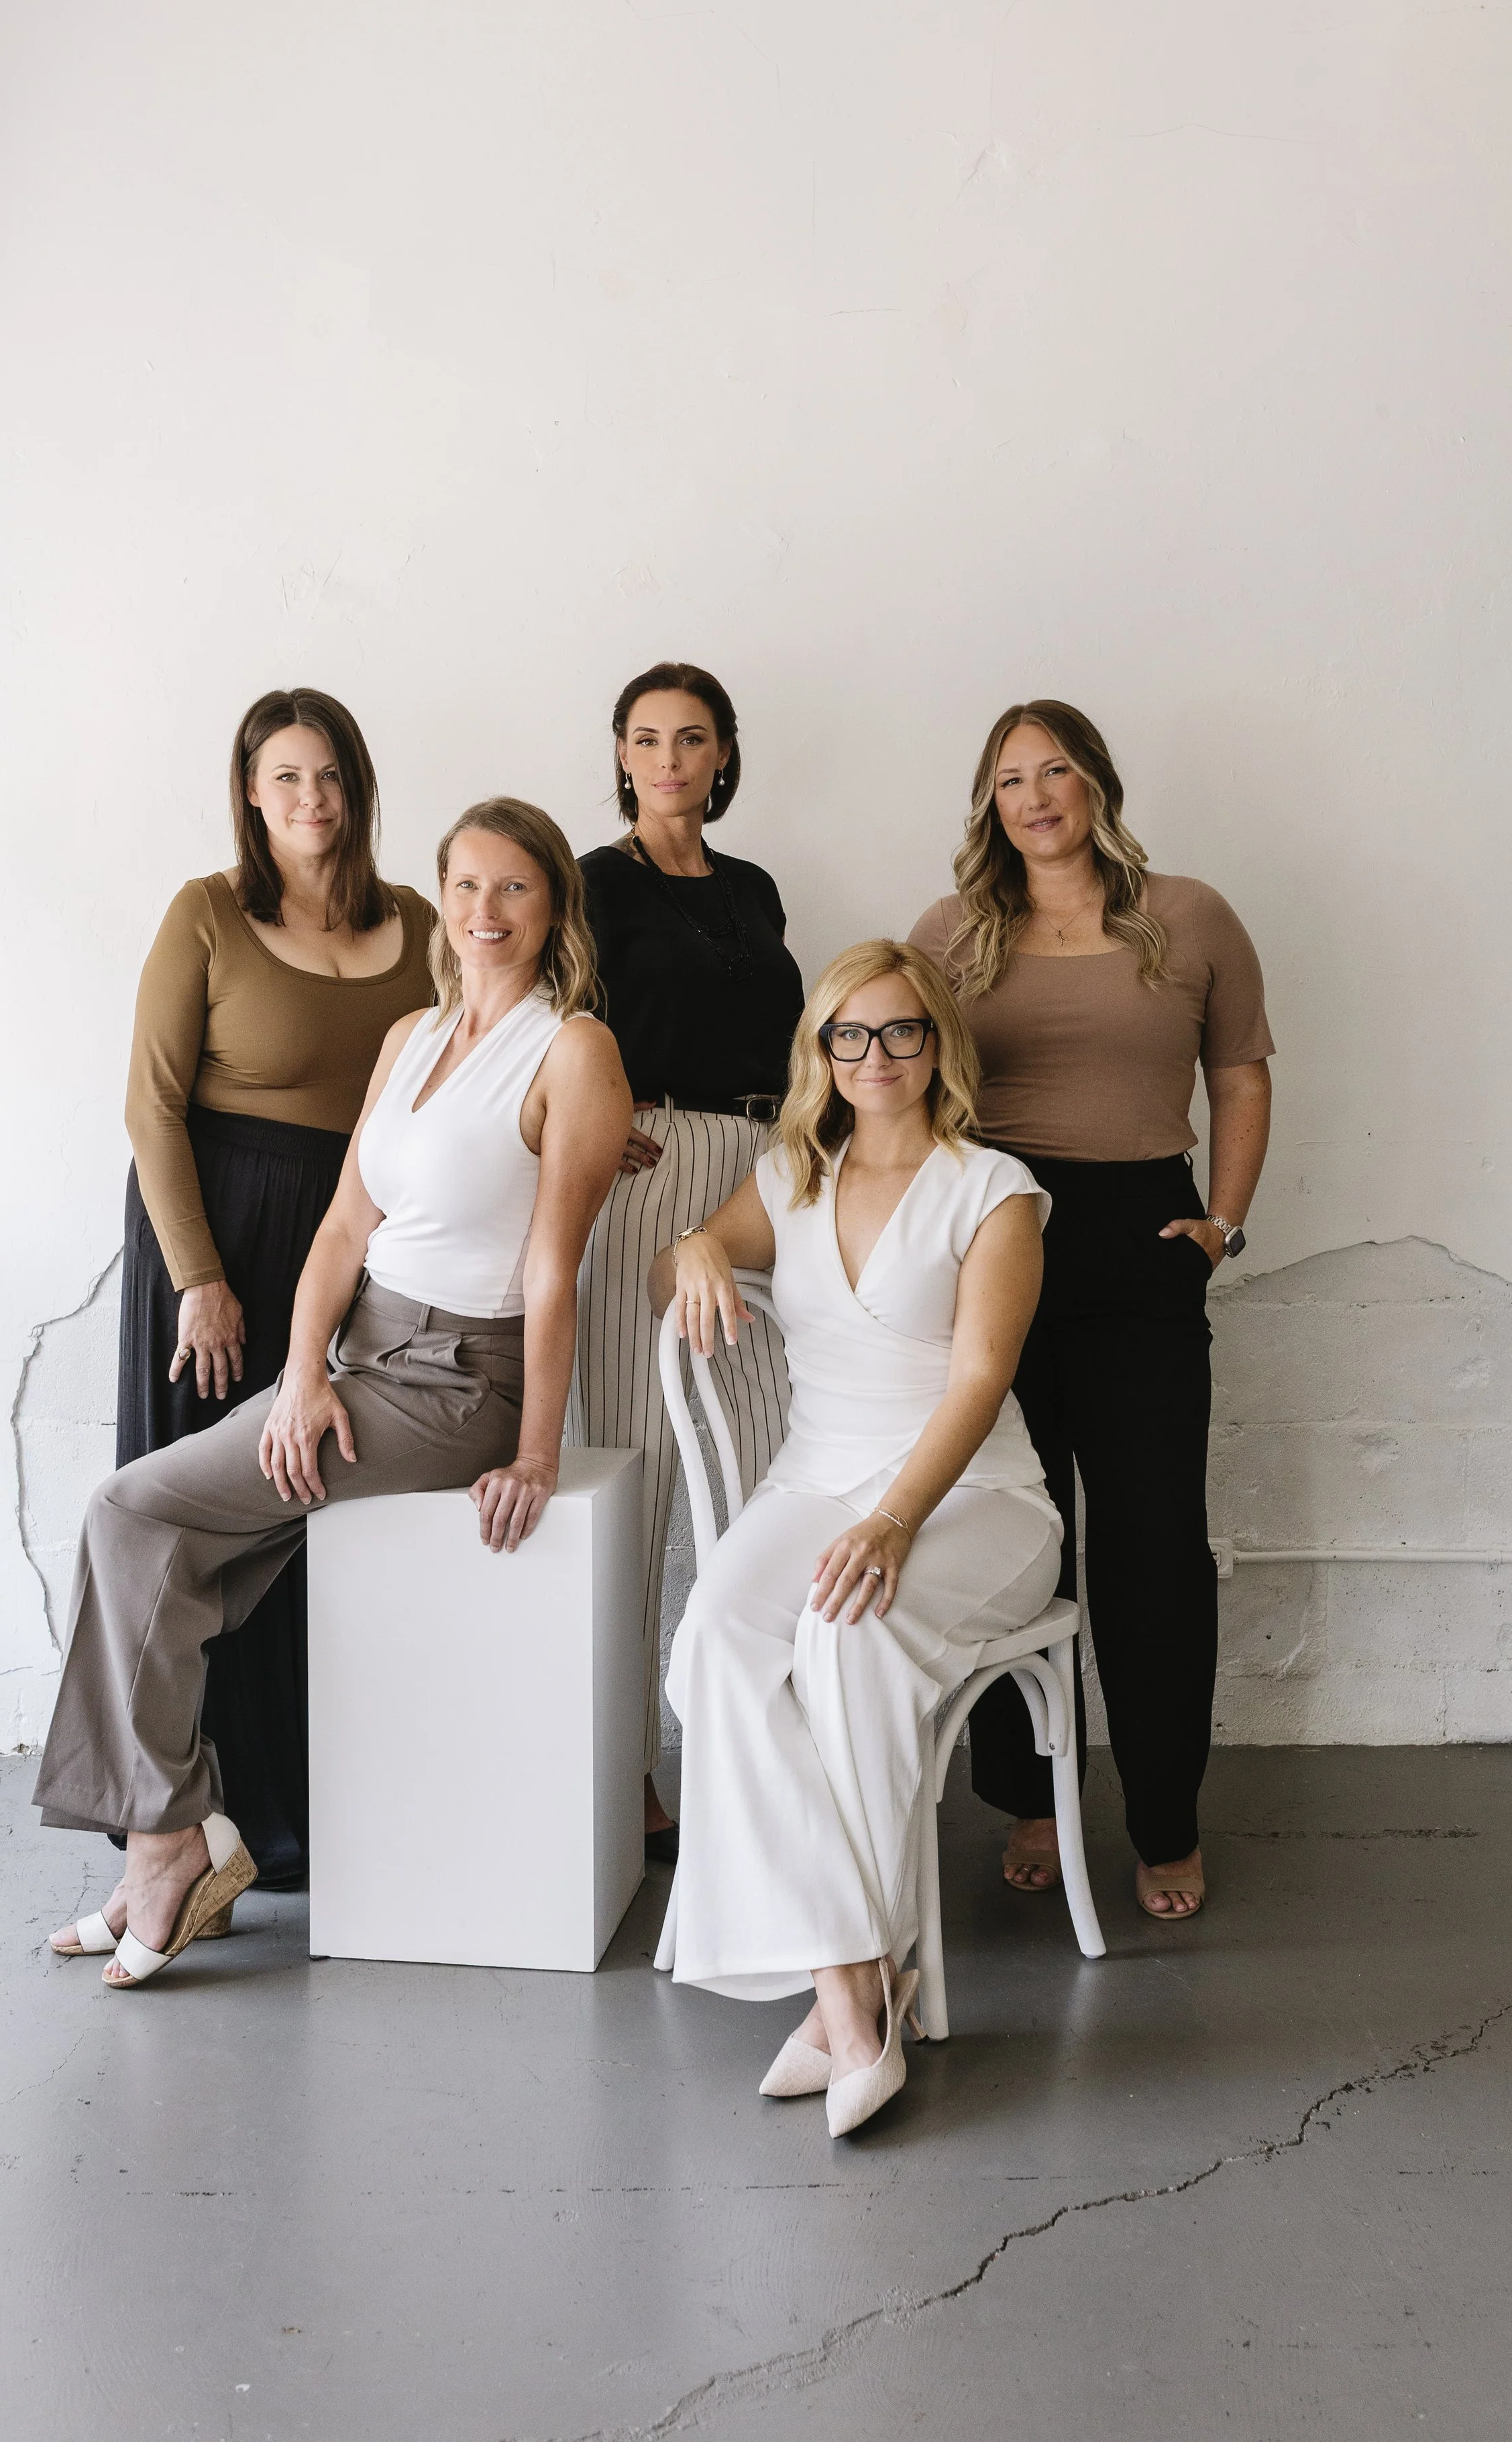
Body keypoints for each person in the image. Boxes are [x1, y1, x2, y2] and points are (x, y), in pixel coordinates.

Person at [40, 799, 632, 1986]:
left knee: (135, 1516)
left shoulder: (574, 1050)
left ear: (555, 905)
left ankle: (171, 1842)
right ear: (442, 900)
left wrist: (534, 1452)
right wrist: (302, 1374)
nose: (484, 912)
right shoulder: (411, 1035)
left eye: (514, 888)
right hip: (360, 1357)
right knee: (152, 1536)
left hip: (463, 1376)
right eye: (465, 886)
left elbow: (556, 1267)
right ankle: (172, 1833)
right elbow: (344, 1226)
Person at [649, 942, 1061, 2137]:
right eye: (849, 1034)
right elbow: (703, 1247)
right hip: (815, 1482)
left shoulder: (995, 1188)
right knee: (713, 1645)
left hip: (971, 1493)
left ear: (939, 1045)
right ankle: (853, 1976)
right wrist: (691, 1247)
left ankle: (856, 2001)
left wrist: (894, 1520)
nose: (874, 1057)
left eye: (901, 1033)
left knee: (846, 1642)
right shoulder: (789, 1174)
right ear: (818, 1051)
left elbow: (981, 1380)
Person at [909, 700, 1274, 1921]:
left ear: (1097, 783)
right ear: (990, 804)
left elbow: (1238, 1073)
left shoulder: (1190, 916)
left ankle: (1164, 1818)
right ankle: (1028, 1794)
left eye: (1056, 768)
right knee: (1019, 1528)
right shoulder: (953, 932)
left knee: (1155, 1543)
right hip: (996, 1237)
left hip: (1142, 1238)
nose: (1035, 794)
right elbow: (898, 1082)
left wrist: (1222, 1222)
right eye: (1010, 777)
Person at [119, 687, 437, 1885]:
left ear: (358, 790)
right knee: (202, 1526)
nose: (312, 797)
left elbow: (476, 1058)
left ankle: (307, 1809)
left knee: (315, 1517)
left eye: (331, 776)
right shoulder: (206, 912)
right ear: (253, 791)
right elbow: (150, 1106)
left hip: (353, 1241)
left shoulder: (415, 918)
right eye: (286, 776)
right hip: (220, 1241)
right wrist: (198, 1277)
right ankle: (185, 1817)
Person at [573, 663, 805, 1859]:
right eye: (649, 738)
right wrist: (588, 1125)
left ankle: (759, 1747)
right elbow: (538, 1017)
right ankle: (629, 1770)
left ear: (724, 757)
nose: (670, 759)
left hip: (765, 1174)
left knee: (766, 1464)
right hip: (646, 1172)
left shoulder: (756, 888)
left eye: (694, 739)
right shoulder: (589, 883)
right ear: (621, 754)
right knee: (641, 1474)